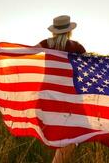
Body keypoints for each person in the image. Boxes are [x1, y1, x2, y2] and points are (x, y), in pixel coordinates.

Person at [36, 15, 86, 163]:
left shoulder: (45, 43)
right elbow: (86, 67)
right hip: (71, 93)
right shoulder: (77, 47)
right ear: (69, 31)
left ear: (54, 31)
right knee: (72, 132)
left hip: (48, 93)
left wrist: (5, 50)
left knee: (56, 129)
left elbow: (26, 52)